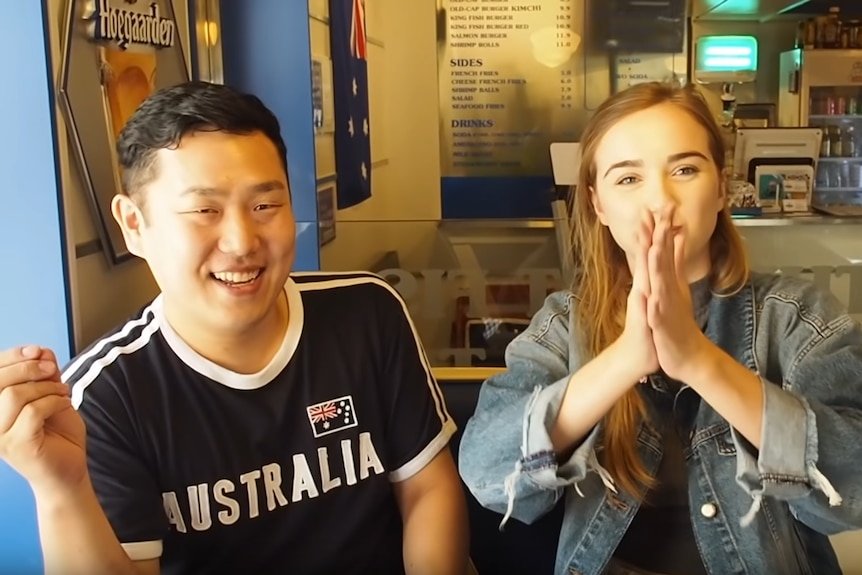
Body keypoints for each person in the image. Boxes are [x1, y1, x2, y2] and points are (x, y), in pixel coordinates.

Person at [0, 81, 469, 575]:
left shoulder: (367, 311)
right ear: (135, 225)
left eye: (265, 206)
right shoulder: (104, 397)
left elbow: (426, 489)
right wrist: (62, 490)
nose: (243, 241)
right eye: (205, 211)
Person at [458, 81, 862, 575]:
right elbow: (486, 475)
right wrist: (626, 357)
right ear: (598, 205)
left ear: (720, 188)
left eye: (685, 169)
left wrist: (698, 359)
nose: (660, 201)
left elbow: (853, 492)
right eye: (628, 179)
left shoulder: (796, 315)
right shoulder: (565, 323)